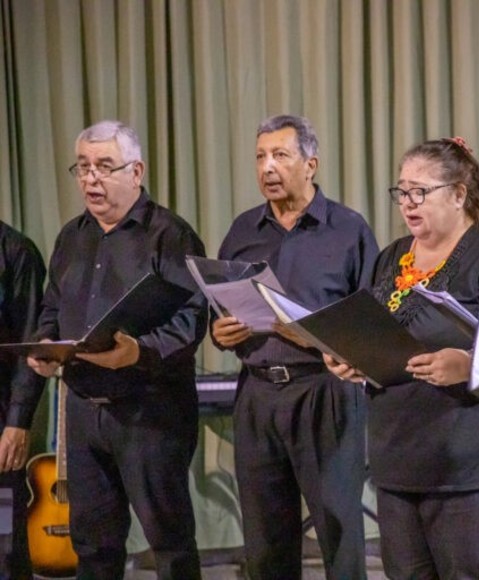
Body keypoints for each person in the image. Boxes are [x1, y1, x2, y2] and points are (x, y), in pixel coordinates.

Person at [327, 137, 479, 579]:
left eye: (420, 191)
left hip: (467, 467)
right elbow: (376, 332)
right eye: (402, 191)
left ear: (459, 194)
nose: (408, 202)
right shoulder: (393, 256)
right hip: (396, 458)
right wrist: (353, 356)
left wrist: (467, 361)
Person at [25, 121, 207, 579]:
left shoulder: (170, 234)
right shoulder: (72, 236)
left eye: (104, 167)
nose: (90, 179)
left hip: (149, 410)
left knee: (169, 542)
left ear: (136, 171)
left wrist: (139, 352)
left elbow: (191, 319)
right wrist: (47, 345)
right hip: (84, 411)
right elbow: (53, 305)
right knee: (93, 542)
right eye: (83, 168)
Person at [211, 114, 378, 580]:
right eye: (260, 157)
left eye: (280, 156)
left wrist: (300, 330)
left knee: (339, 533)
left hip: (324, 393)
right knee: (265, 541)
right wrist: (219, 332)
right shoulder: (243, 230)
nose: (267, 167)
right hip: (258, 395)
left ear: (311, 164)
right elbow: (220, 306)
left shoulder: (348, 229)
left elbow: (369, 322)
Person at [0, 221, 46, 578]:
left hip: (2, 422)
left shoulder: (16, 252)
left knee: (4, 541)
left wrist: (18, 421)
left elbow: (31, 344)